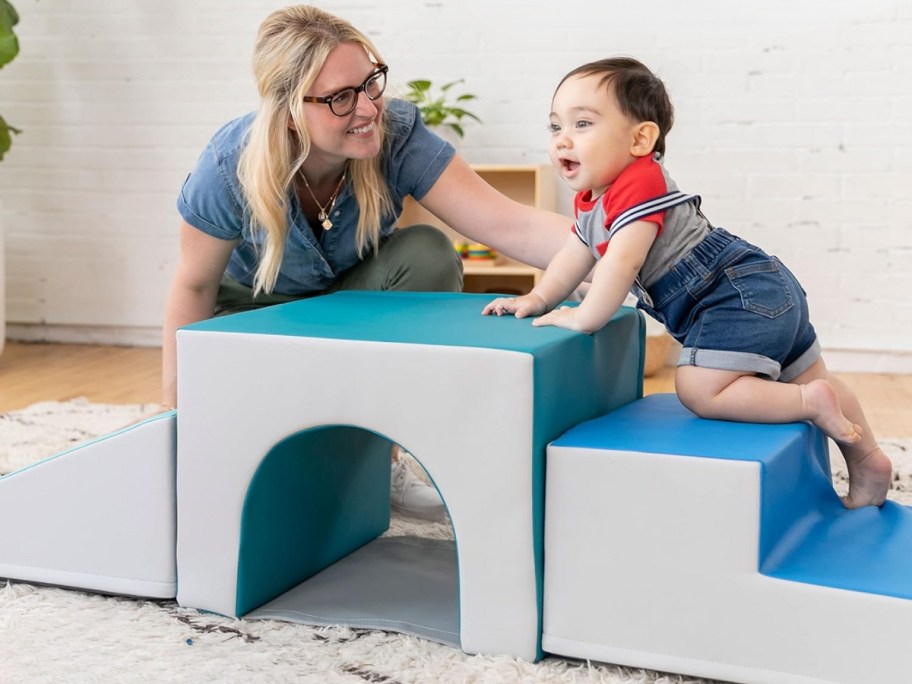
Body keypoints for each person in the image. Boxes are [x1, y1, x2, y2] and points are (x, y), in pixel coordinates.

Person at [162, 5, 568, 520]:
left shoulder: (396, 134)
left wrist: (624, 249)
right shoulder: (228, 164)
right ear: (289, 111)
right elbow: (193, 287)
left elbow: (511, 225)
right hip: (252, 319)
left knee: (427, 252)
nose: (368, 108)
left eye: (371, 82)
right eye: (339, 98)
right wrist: (178, 419)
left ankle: (386, 464)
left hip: (345, 306)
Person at [483, 57, 893, 509]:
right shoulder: (593, 201)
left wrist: (584, 317)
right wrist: (539, 297)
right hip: (763, 287)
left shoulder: (639, 187)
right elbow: (572, 256)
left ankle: (807, 403)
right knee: (817, 374)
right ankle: (868, 459)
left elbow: (619, 264)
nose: (563, 138)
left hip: (733, 299)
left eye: (582, 124)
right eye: (555, 126)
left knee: (698, 388)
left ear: (641, 138)